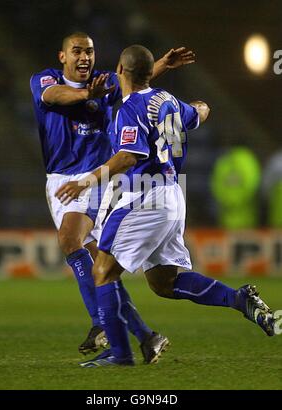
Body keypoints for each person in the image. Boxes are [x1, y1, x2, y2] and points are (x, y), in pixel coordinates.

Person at [56, 44, 277, 367]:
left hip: (142, 197)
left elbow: (129, 155)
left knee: (101, 272)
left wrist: (85, 180)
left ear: (120, 69)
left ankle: (120, 354)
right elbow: (199, 112)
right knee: (164, 282)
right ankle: (238, 299)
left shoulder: (129, 108)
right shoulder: (167, 101)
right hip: (172, 195)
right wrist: (200, 107)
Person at [30, 32, 195, 362]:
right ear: (63, 57)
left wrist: (161, 63)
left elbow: (134, 79)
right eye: (77, 51)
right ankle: (146, 336)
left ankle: (99, 325)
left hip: (98, 179)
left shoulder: (106, 83)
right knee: (100, 271)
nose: (84, 57)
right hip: (61, 181)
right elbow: (56, 96)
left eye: (89, 51)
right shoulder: (44, 79)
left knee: (69, 240)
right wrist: (85, 95)